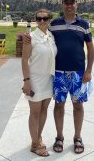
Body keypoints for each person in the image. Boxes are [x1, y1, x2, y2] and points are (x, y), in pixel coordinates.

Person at [50, 0, 94, 154]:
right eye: (66, 3)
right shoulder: (54, 24)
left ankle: (77, 137)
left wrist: (88, 70)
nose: (69, 5)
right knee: (59, 105)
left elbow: (90, 48)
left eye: (72, 3)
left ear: (77, 4)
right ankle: (59, 137)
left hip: (78, 73)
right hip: (59, 72)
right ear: (62, 5)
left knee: (78, 105)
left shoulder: (83, 24)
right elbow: (45, 42)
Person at [21, 9, 57, 157]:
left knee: (43, 110)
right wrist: (26, 81)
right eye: (39, 18)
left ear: (49, 19)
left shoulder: (51, 36)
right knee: (34, 112)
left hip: (48, 79)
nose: (42, 21)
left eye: (45, 18)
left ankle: (38, 137)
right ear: (35, 20)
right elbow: (24, 60)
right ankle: (35, 144)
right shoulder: (31, 38)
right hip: (34, 79)